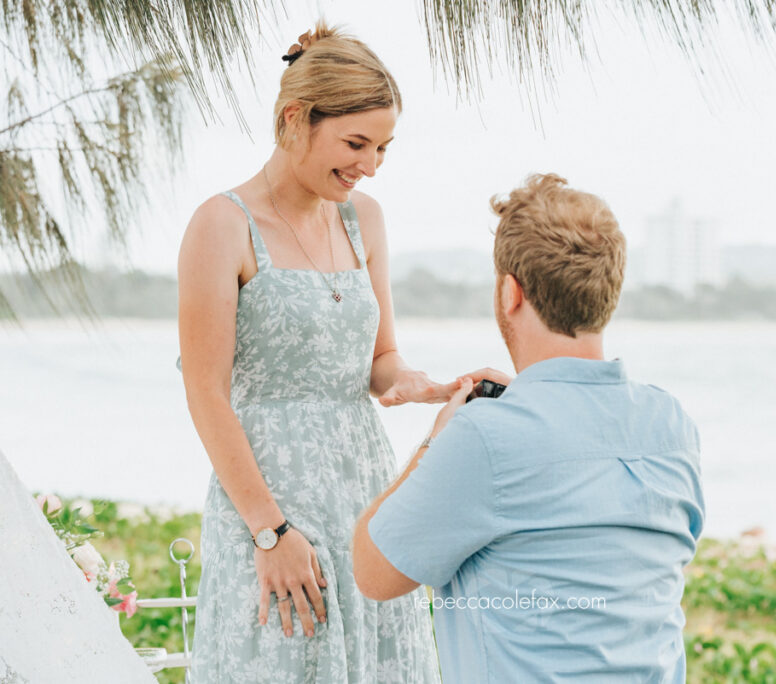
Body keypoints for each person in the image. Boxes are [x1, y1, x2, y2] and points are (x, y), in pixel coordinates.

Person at [178, 21, 486, 683]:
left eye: (382, 148)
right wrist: (270, 532)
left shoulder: (362, 218)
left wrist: (429, 388)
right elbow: (205, 392)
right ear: (296, 119)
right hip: (267, 502)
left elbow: (381, 363)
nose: (370, 164)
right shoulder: (221, 225)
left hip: (365, 491)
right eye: (355, 143)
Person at [352, 173, 706, 682]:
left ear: (509, 292)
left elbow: (373, 570)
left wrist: (437, 441)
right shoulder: (671, 425)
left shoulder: (484, 437)